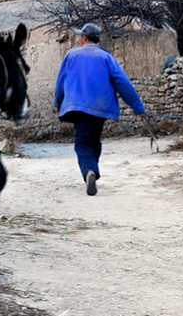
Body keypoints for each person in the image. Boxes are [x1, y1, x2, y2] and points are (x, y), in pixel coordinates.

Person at [54, 23, 146, 196]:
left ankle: (89, 170)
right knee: (95, 141)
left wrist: (57, 102)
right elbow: (123, 83)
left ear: (84, 38)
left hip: (77, 107)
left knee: (82, 142)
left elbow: (60, 82)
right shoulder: (106, 57)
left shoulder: (71, 56)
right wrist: (137, 107)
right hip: (100, 107)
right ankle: (92, 170)